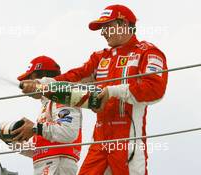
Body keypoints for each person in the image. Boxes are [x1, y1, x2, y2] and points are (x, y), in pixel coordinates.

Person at [20, 4, 168, 175]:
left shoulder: (149, 52)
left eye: (107, 27)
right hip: (99, 140)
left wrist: (112, 91)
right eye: (102, 28)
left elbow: (155, 90)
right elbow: (74, 76)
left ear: (124, 24)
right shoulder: (100, 57)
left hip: (127, 140)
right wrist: (42, 85)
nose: (103, 32)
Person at [11, 56, 83, 175]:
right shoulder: (47, 104)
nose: (27, 84)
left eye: (30, 78)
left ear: (43, 77)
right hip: (48, 164)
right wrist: (12, 138)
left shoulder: (62, 96)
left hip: (58, 165)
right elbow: (42, 149)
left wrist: (34, 128)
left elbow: (68, 133)